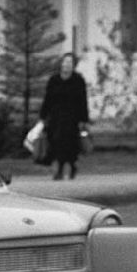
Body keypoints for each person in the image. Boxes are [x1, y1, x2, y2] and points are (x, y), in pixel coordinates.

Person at [39, 52, 90, 180]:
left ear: (73, 66)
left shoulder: (78, 80)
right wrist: (43, 116)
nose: (66, 65)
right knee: (55, 142)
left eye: (70, 63)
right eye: (65, 62)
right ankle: (58, 169)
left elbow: (83, 101)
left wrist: (84, 119)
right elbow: (48, 99)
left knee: (69, 144)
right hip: (56, 117)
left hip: (72, 118)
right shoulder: (54, 80)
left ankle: (70, 166)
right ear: (61, 64)